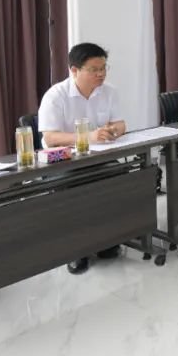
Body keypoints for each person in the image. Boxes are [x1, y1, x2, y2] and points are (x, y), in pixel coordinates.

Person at [38, 42, 127, 275]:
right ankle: (76, 249)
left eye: (104, 68)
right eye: (94, 69)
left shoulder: (109, 92)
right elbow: (50, 137)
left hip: (97, 157)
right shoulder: (55, 96)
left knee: (120, 176)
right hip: (63, 160)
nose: (101, 74)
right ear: (74, 70)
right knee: (74, 188)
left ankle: (108, 240)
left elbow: (120, 124)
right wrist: (88, 137)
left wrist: (113, 131)